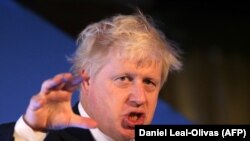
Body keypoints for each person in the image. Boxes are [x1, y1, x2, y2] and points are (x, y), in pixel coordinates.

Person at [0, 11, 182, 141]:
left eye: (149, 82)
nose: (140, 98)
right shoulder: (41, 138)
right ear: (87, 80)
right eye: (124, 79)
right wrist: (31, 131)